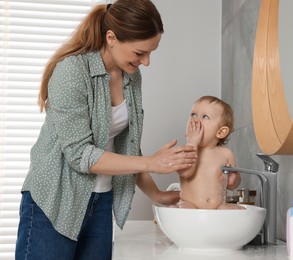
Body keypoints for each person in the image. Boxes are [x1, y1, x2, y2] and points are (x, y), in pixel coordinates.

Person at [15, 1, 197, 259]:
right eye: (140, 53)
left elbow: (128, 148)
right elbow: (80, 155)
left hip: (100, 202)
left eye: (151, 53)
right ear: (111, 38)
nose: (146, 62)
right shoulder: (72, 71)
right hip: (55, 202)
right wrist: (152, 163)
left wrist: (155, 193)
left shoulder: (131, 76)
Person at [176, 96, 242, 210]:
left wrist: (232, 179)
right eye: (193, 114)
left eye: (205, 116)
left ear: (221, 132)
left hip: (217, 209)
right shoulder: (185, 150)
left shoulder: (226, 154)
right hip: (190, 206)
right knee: (181, 208)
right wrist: (192, 143)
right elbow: (185, 173)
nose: (195, 120)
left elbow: (233, 185)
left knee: (236, 210)